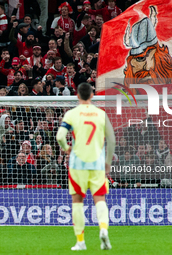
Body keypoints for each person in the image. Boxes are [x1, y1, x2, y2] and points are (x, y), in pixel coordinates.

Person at [56, 82, 115, 250]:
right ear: (92, 95)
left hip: (77, 164)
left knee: (77, 202)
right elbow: (111, 140)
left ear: (77, 96)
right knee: (100, 199)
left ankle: (80, 241)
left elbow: (60, 136)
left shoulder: (71, 114)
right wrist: (108, 162)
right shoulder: (100, 114)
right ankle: (103, 230)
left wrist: (67, 148)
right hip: (97, 163)